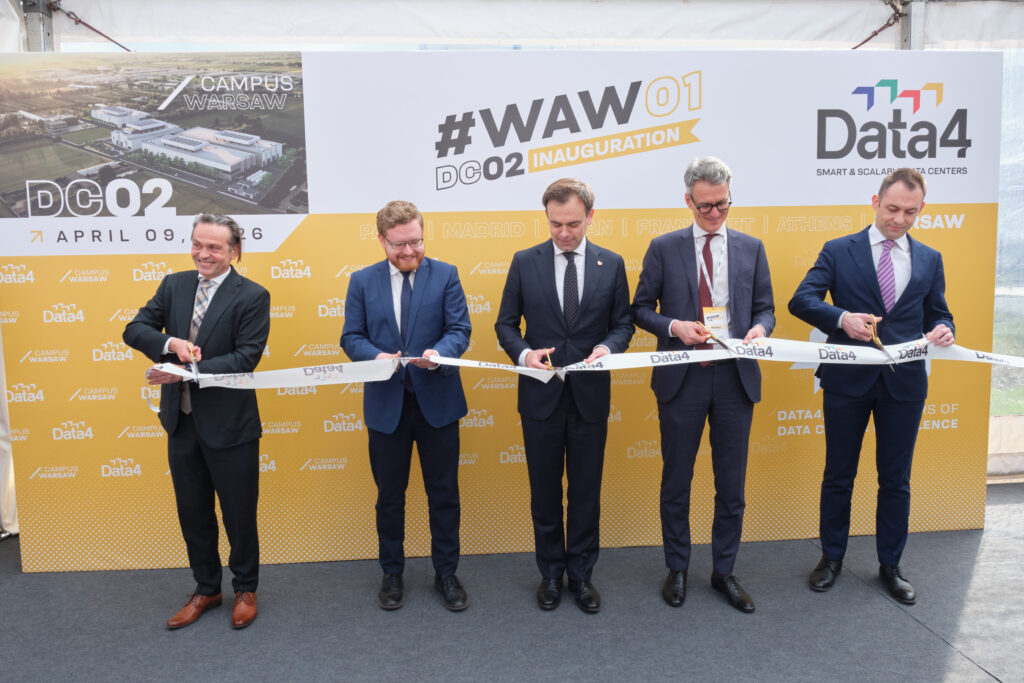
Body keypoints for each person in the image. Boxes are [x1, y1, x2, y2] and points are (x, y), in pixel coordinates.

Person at [789, 167, 954, 605]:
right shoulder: (838, 250)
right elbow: (801, 300)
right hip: (847, 380)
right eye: (893, 208)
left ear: (922, 209)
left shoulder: (931, 258)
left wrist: (944, 329)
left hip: (905, 384)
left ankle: (891, 566)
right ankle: (831, 558)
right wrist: (841, 318)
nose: (899, 219)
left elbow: (939, 312)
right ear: (876, 202)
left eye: (910, 212)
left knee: (896, 479)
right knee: (839, 474)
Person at [632, 156, 775, 613]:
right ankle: (677, 567)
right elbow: (640, 309)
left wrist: (761, 329)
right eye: (705, 206)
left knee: (731, 486)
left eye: (723, 204)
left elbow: (766, 307)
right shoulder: (663, 247)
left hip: (735, 377)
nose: (715, 214)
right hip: (682, 378)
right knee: (677, 480)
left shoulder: (751, 247)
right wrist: (674, 326)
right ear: (688, 201)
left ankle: (723, 572)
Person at [123, 213, 270, 630]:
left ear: (234, 252)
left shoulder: (253, 295)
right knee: (193, 513)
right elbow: (134, 329)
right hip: (181, 423)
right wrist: (170, 343)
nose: (203, 254)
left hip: (231, 426)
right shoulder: (174, 285)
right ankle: (206, 588)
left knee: (238, 514)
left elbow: (246, 358)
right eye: (197, 245)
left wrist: (187, 372)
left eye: (214, 248)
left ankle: (245, 588)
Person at [494, 178, 633, 613]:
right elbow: (505, 324)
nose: (564, 233)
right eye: (555, 224)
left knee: (586, 491)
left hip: (590, 396)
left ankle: (582, 576)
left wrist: (607, 348)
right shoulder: (525, 262)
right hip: (541, 398)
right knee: (545, 492)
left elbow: (623, 325)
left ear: (590, 216)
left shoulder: (612, 264)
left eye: (572, 223)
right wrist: (524, 354)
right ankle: (551, 575)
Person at [341, 200, 472, 612]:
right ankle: (392, 573)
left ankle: (446, 573)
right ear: (381, 240)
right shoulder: (362, 281)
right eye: (399, 245)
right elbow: (351, 337)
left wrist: (439, 353)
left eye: (416, 241)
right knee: (389, 497)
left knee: (444, 495)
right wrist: (375, 356)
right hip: (387, 407)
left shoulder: (446, 275)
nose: (409, 251)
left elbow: (460, 329)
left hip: (438, 404)